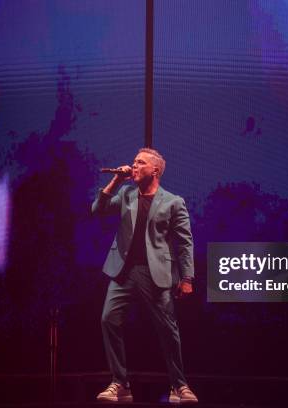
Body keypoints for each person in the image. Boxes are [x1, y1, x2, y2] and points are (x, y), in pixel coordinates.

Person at [91, 148, 198, 404]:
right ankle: (120, 383)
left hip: (156, 273)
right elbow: (98, 209)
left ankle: (179, 386)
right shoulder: (127, 193)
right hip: (122, 271)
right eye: (134, 162)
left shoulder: (173, 202)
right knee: (108, 320)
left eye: (140, 163)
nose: (134, 166)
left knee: (167, 331)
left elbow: (184, 243)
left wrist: (187, 278)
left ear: (155, 170)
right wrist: (117, 180)